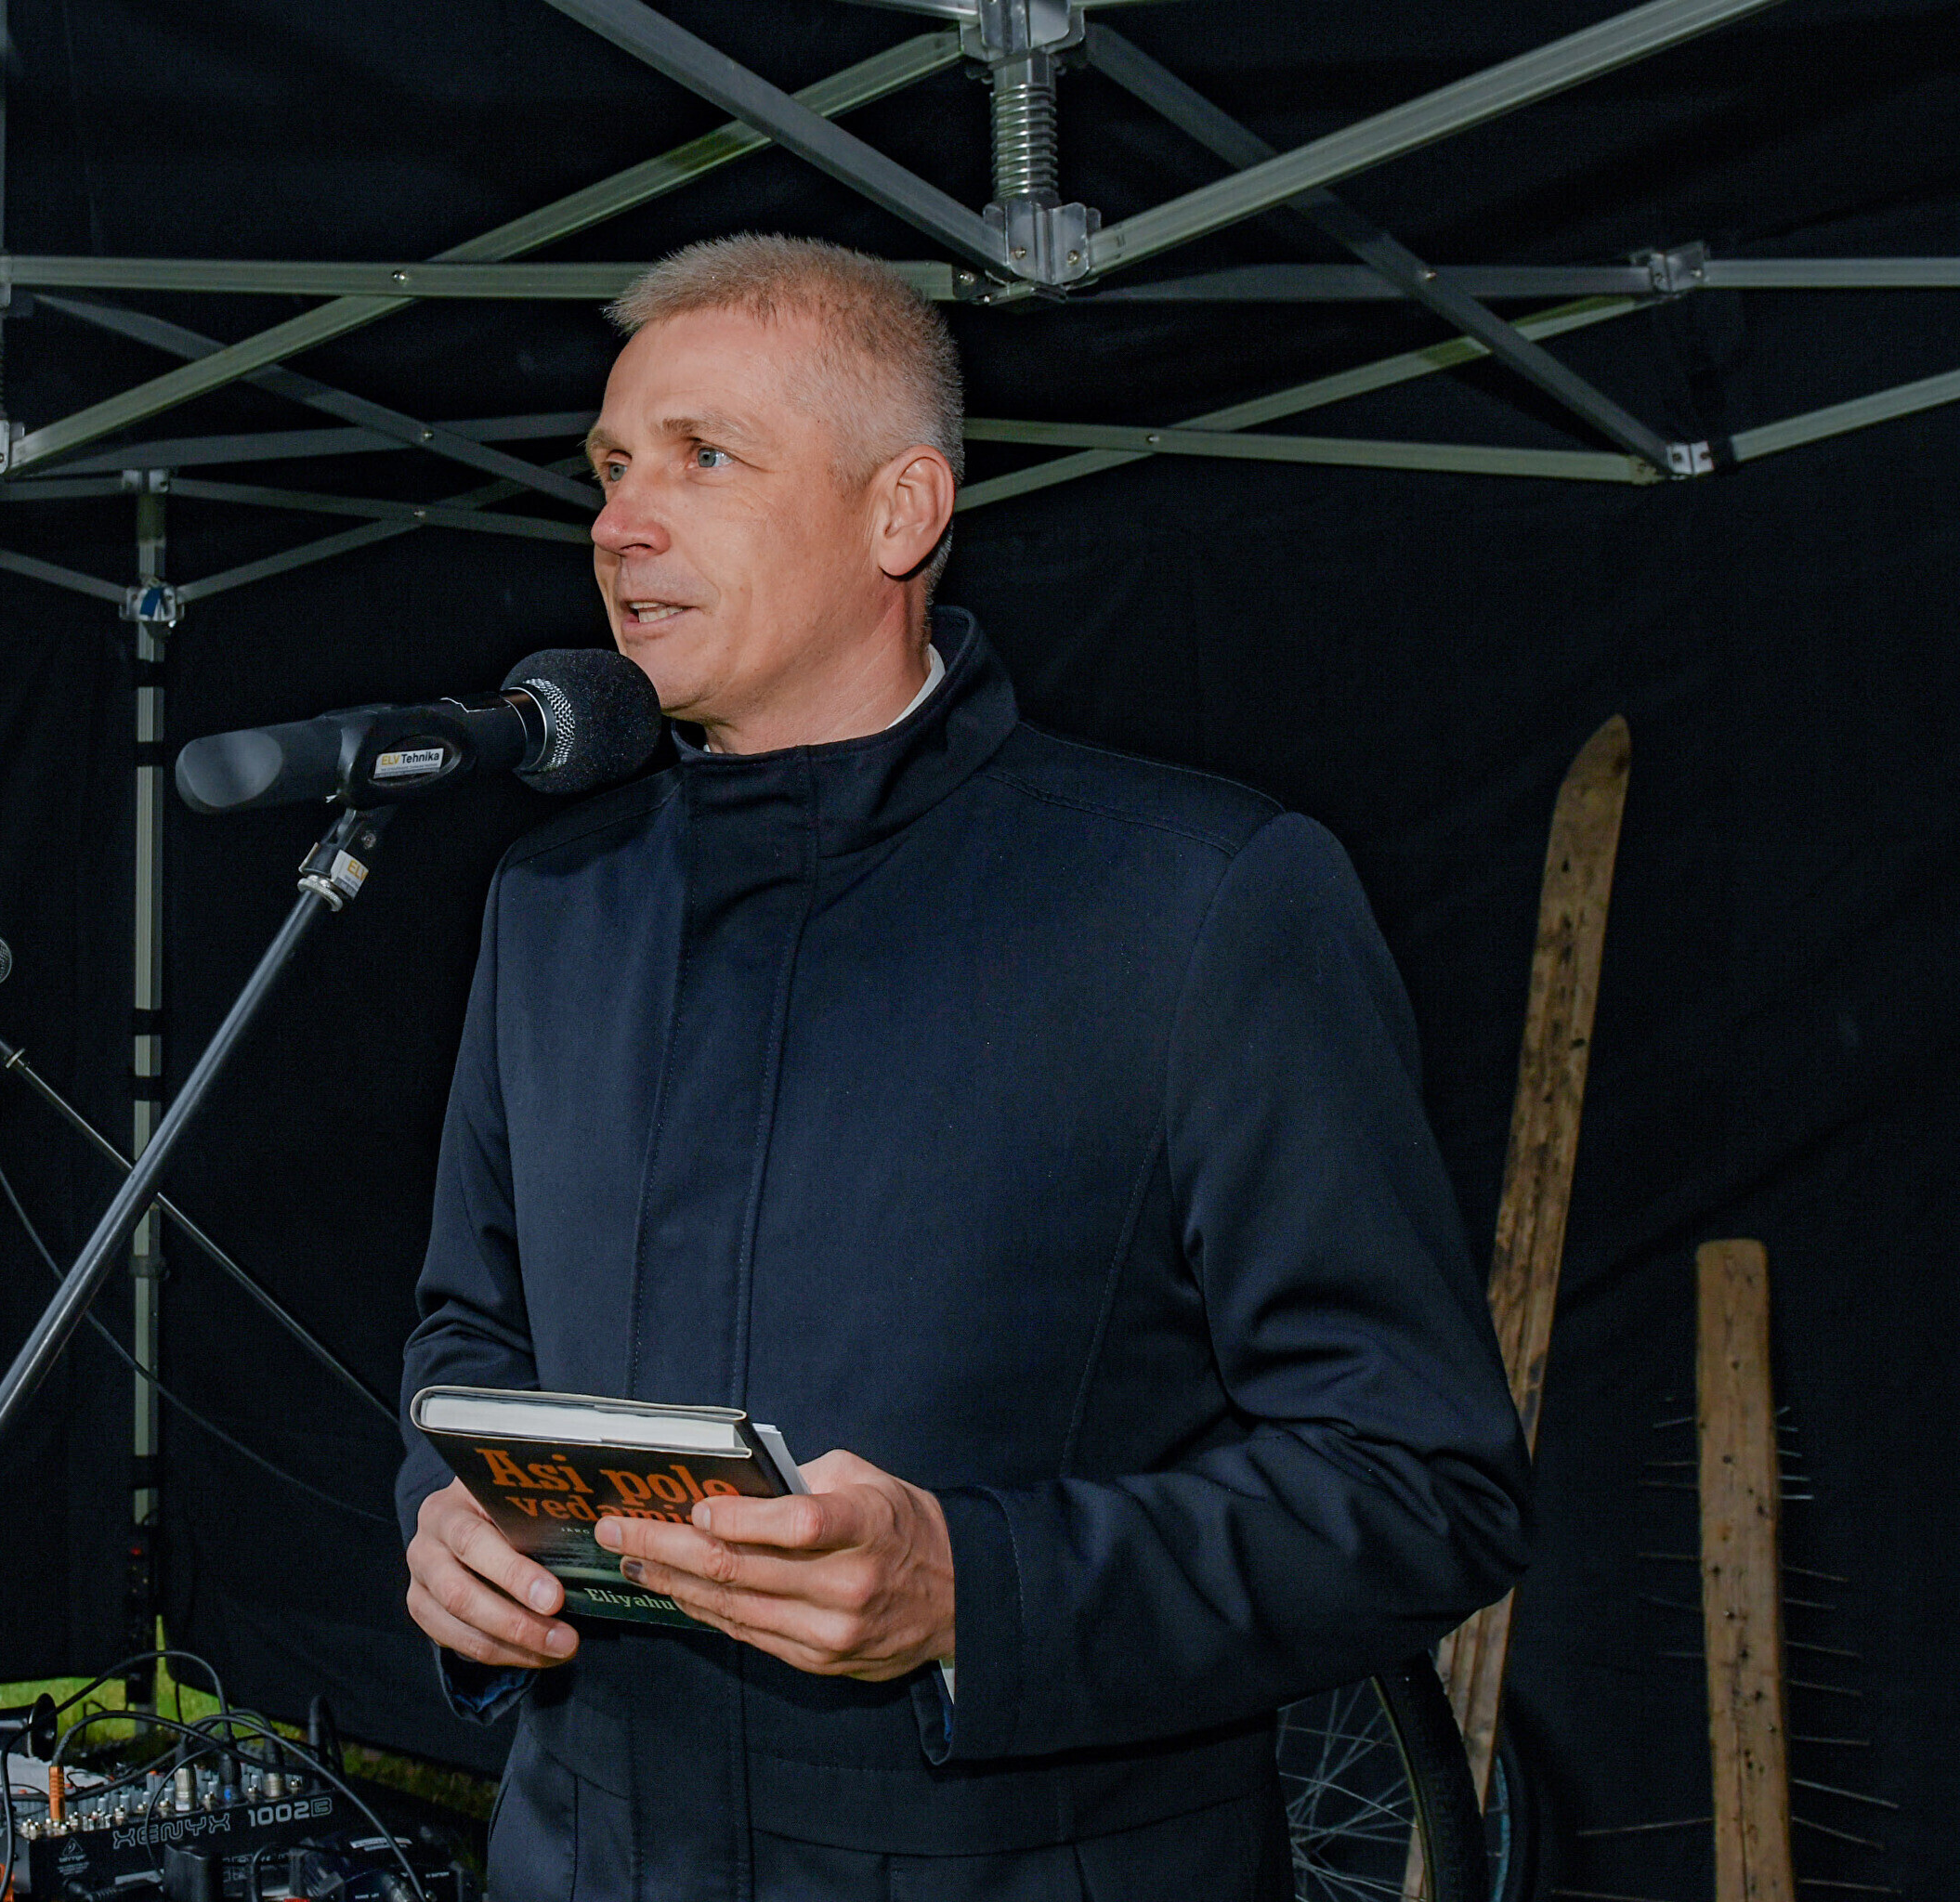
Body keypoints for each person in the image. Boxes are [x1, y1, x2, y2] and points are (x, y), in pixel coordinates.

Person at [395, 234, 1530, 1900]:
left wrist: (972, 1591)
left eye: (703, 458)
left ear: (901, 513)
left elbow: (1420, 1487)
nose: (621, 522)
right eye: (612, 466)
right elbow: (468, 1332)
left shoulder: (1197, 897)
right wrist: (444, 1523)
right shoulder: (553, 902)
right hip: (586, 1855)